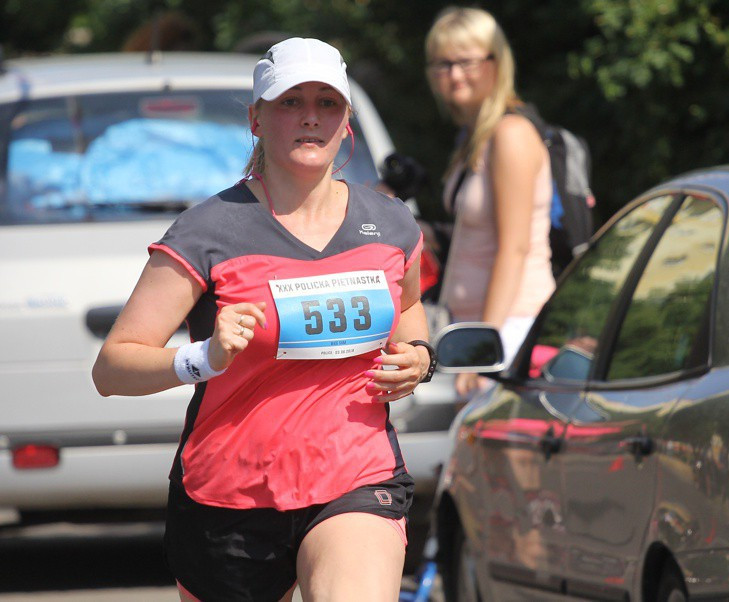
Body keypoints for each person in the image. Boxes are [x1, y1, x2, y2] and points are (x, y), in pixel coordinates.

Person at [92, 37, 435, 602]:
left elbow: (411, 305)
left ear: (346, 119)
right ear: (256, 118)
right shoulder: (210, 230)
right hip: (230, 495)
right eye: (289, 102)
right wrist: (205, 357)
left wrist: (418, 358)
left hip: (354, 475)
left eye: (327, 103)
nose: (310, 117)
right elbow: (113, 368)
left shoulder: (391, 223)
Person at [425, 6, 556, 395]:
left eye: (466, 61)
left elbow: (513, 248)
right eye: (441, 64)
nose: (453, 74)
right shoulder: (474, 137)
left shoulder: (510, 134)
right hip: (478, 328)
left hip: (509, 329)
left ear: (496, 62)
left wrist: (484, 345)